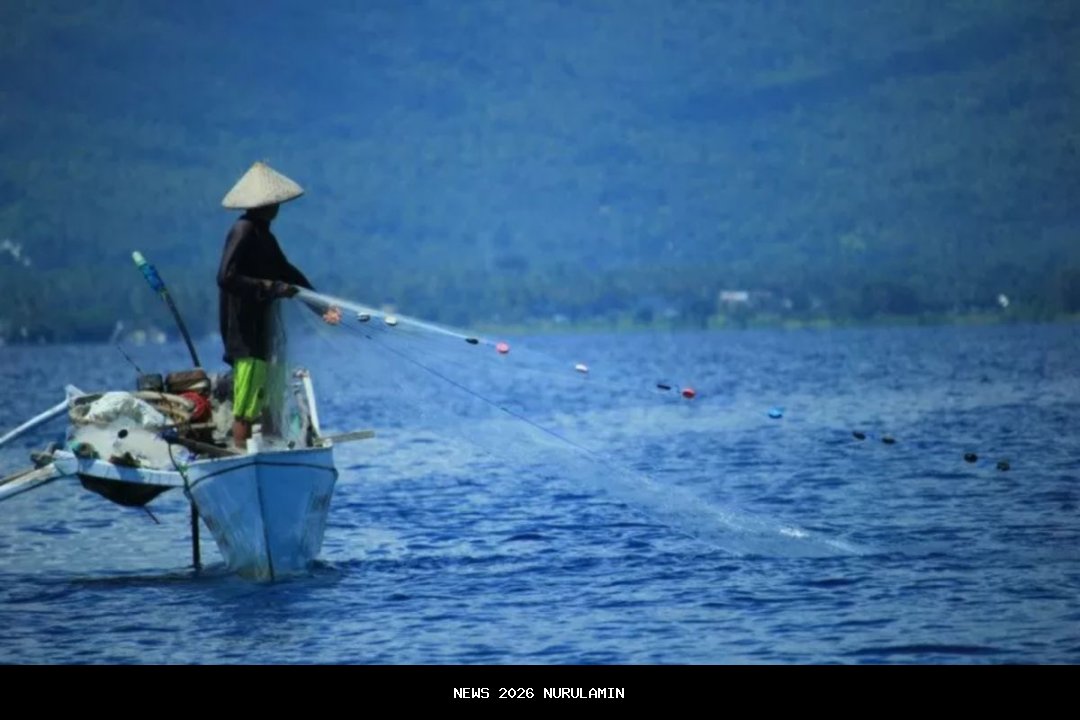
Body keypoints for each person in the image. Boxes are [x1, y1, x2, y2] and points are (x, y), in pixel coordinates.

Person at [217, 161, 340, 449]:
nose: (278, 208)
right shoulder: (243, 231)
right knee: (245, 406)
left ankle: (272, 449)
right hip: (244, 332)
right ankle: (241, 454)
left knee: (271, 396)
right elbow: (226, 277)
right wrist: (270, 288)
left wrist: (320, 306)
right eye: (274, 202)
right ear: (262, 205)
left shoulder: (264, 236)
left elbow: (286, 272)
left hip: (264, 329)